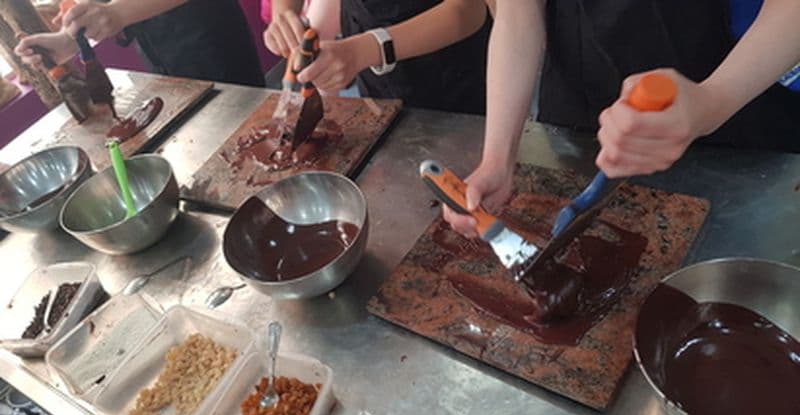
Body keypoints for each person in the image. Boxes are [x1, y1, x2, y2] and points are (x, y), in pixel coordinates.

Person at [444, 0, 800, 237]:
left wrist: (714, 100)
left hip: (735, 99)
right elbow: (518, 15)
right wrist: (498, 158)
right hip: (580, 120)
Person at [265, 0, 492, 114]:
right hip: (367, 52)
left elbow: (468, 9)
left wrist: (362, 51)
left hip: (452, 72)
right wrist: (285, 13)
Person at [15, 0, 265, 87]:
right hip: (158, 56)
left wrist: (118, 13)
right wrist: (69, 39)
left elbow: (114, 10)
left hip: (212, 42)